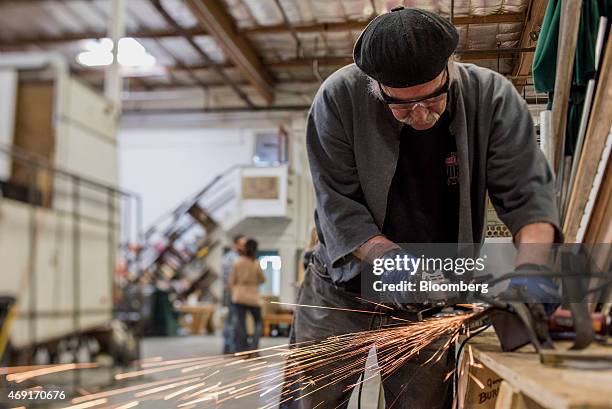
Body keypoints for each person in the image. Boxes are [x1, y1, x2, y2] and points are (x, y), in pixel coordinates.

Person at [283, 6, 560, 409]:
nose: (421, 115)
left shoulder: (493, 97)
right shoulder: (338, 99)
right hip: (343, 290)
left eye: (432, 99)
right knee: (311, 399)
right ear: (375, 86)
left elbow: (529, 196)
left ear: (450, 66)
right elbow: (340, 209)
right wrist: (402, 266)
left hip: (432, 300)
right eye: (402, 106)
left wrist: (532, 271)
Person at [228, 238, 266, 353]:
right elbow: (263, 280)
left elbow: (231, 282)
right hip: (253, 297)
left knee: (241, 325)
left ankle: (243, 350)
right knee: (258, 323)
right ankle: (254, 348)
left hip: (239, 296)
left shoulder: (237, 263)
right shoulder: (255, 264)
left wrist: (234, 292)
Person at [221, 234, 245, 354]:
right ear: (235, 244)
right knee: (232, 321)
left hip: (238, 294)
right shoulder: (231, 258)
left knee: (236, 321)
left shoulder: (238, 257)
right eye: (242, 244)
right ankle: (229, 347)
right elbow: (228, 280)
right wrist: (233, 293)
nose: (244, 247)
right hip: (232, 294)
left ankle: (233, 346)